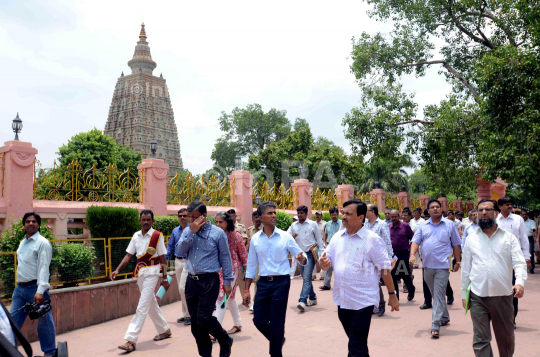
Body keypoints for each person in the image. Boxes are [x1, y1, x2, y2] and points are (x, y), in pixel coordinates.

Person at [320, 199, 399, 356]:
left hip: (363, 301)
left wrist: (392, 295)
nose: (343, 216)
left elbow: (384, 269)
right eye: (343, 213)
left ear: (361, 217)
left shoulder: (372, 239)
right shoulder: (337, 237)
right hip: (342, 301)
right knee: (358, 343)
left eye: (349, 214)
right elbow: (325, 264)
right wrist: (323, 263)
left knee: (355, 347)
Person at [461, 199, 527, 357]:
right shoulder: (471, 239)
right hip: (478, 296)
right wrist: (464, 294)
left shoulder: (509, 238)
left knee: (506, 339)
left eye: (488, 209)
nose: (483, 212)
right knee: (480, 340)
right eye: (480, 210)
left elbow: (519, 263)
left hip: (503, 296)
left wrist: (519, 283)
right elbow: (466, 269)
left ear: (496, 213)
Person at [243, 201, 307, 357]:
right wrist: (246, 290)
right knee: (258, 320)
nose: (273, 215)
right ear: (260, 217)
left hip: (281, 283)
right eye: (269, 213)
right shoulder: (256, 239)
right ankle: (278, 340)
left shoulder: (285, 237)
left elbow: (301, 255)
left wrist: (302, 259)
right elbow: (251, 266)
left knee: (277, 322)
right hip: (263, 284)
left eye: (274, 212)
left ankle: (276, 352)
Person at [176, 201, 234, 357]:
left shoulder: (218, 233)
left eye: (195, 217)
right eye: (190, 217)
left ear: (204, 216)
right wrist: (190, 232)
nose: (192, 220)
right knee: (195, 325)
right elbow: (180, 251)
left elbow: (225, 257)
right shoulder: (187, 232)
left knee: (204, 318)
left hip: (210, 280)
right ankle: (205, 354)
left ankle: (225, 338)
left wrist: (228, 281)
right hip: (191, 281)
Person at [111, 210, 171, 353]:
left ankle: (131, 340)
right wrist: (117, 269)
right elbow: (129, 255)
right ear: (140, 221)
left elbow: (162, 258)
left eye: (148, 219)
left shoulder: (157, 236)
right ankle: (164, 330)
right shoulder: (136, 236)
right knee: (150, 303)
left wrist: (164, 278)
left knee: (142, 306)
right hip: (140, 273)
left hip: (153, 273)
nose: (146, 222)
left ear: (152, 221)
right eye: (143, 219)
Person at [410, 199, 461, 338]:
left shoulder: (450, 225)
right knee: (436, 293)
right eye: (432, 207)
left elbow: (456, 244)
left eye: (437, 207)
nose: (435, 209)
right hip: (427, 266)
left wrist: (458, 261)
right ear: (428, 210)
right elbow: (415, 241)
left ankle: (435, 325)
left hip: (443, 266)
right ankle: (444, 316)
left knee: (438, 294)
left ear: (441, 209)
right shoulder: (423, 226)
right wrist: (412, 254)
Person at [9, 213, 56, 357]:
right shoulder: (22, 242)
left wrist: (40, 290)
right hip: (20, 289)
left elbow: (43, 267)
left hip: (35, 289)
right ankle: (7, 350)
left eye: (34, 221)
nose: (30, 223)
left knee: (44, 323)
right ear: (24, 225)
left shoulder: (43, 243)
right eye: (28, 221)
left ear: (38, 225)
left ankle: (50, 353)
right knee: (11, 321)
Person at [496, 197, 530, 327]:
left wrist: (527, 257)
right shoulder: (495, 220)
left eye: (511, 204)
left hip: (515, 259)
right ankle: (499, 317)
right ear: (500, 207)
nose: (510, 206)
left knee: (513, 289)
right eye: (507, 204)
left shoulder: (518, 220)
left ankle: (512, 318)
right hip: (498, 259)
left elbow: (524, 239)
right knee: (499, 289)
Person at [213, 212, 248, 336]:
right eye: (216, 222)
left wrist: (247, 270)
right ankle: (237, 324)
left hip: (232, 269)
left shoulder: (235, 235)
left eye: (220, 222)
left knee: (222, 297)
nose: (218, 224)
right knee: (231, 298)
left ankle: (215, 330)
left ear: (228, 222)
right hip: (218, 269)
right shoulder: (215, 234)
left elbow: (243, 253)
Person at [287, 205, 324, 311]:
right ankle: (313, 297)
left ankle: (302, 301)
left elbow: (319, 241)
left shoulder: (312, 224)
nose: (299, 215)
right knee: (305, 278)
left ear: (306, 214)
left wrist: (321, 256)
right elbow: (287, 237)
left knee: (307, 278)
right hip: (299, 255)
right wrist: (292, 237)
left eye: (302, 213)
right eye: (298, 213)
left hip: (310, 254)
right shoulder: (294, 225)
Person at [364, 204, 395, 316]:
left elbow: (387, 241)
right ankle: (374, 304)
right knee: (371, 281)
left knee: (378, 281)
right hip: (368, 257)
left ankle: (381, 304)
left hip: (380, 257)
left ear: (372, 212)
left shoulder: (382, 224)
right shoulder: (365, 224)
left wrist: (390, 257)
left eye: (366, 210)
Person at [165, 208, 191, 325]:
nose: (182, 218)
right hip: (177, 261)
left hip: (189, 261)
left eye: (184, 215)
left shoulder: (192, 229)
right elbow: (170, 247)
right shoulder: (175, 231)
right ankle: (185, 314)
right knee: (181, 290)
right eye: (180, 215)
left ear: (188, 217)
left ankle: (189, 314)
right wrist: (163, 260)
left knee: (182, 288)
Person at [389, 209, 415, 301]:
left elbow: (413, 239)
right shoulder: (388, 228)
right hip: (393, 256)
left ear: (399, 216)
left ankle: (411, 289)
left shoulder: (405, 226)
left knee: (405, 276)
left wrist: (412, 253)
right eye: (392, 217)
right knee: (393, 277)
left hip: (403, 255)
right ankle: (396, 298)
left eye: (395, 216)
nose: (394, 218)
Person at [319, 208, 342, 291]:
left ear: (338, 214)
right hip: (329, 246)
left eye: (335, 214)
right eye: (332, 215)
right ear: (330, 215)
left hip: (340, 246)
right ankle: (326, 284)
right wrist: (325, 241)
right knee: (328, 265)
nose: (334, 216)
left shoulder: (342, 223)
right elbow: (326, 233)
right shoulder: (328, 224)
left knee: (339, 266)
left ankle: (340, 285)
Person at [244, 211, 262, 312]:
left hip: (261, 258)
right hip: (252, 259)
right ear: (252, 218)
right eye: (255, 217)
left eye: (258, 217)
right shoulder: (250, 230)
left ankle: (255, 302)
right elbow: (248, 244)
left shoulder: (264, 229)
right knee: (254, 280)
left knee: (258, 281)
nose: (257, 219)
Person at [314, 210, 327, 280]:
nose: (317, 216)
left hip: (322, 243)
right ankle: (313, 274)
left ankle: (322, 275)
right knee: (313, 258)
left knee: (323, 258)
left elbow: (326, 233)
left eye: (319, 214)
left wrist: (325, 241)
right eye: (316, 214)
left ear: (321, 216)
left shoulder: (324, 224)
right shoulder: (313, 224)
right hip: (314, 244)